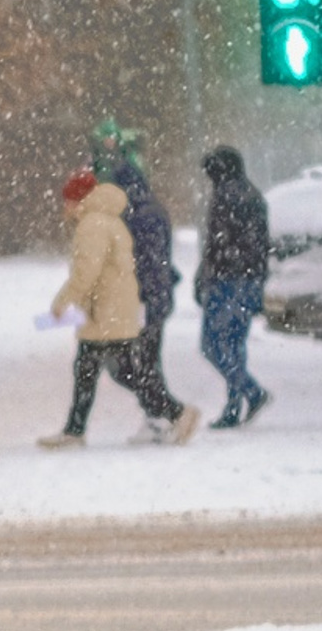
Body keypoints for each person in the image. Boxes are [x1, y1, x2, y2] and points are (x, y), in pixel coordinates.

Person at [39, 173, 178, 448]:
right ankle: (74, 430)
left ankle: (176, 412)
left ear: (76, 199)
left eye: (66, 200)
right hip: (112, 308)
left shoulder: (92, 224)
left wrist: (62, 303)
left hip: (104, 311)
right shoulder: (109, 219)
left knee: (109, 370)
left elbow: (86, 272)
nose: (63, 207)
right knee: (103, 370)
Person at [107, 156, 199, 443]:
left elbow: (144, 262)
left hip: (145, 300)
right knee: (145, 363)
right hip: (157, 297)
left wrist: (140, 298)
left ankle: (173, 412)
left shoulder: (135, 215)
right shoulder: (153, 209)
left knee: (128, 365)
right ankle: (158, 417)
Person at [197, 146, 272, 429]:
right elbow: (260, 244)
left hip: (226, 281)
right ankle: (233, 406)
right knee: (234, 344)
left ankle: (251, 392)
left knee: (212, 345)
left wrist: (205, 277)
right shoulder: (253, 194)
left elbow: (217, 245)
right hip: (250, 280)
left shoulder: (225, 197)